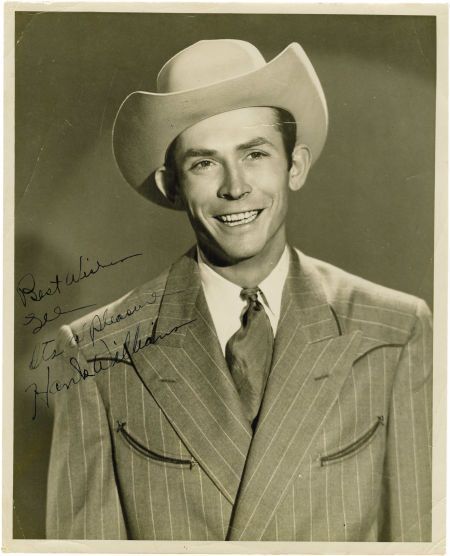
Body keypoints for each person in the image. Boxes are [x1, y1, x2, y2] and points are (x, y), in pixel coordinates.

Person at [46, 39, 432, 542]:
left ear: (294, 166)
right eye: (204, 163)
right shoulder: (96, 354)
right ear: (172, 185)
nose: (235, 187)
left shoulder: (396, 332)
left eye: (254, 154)